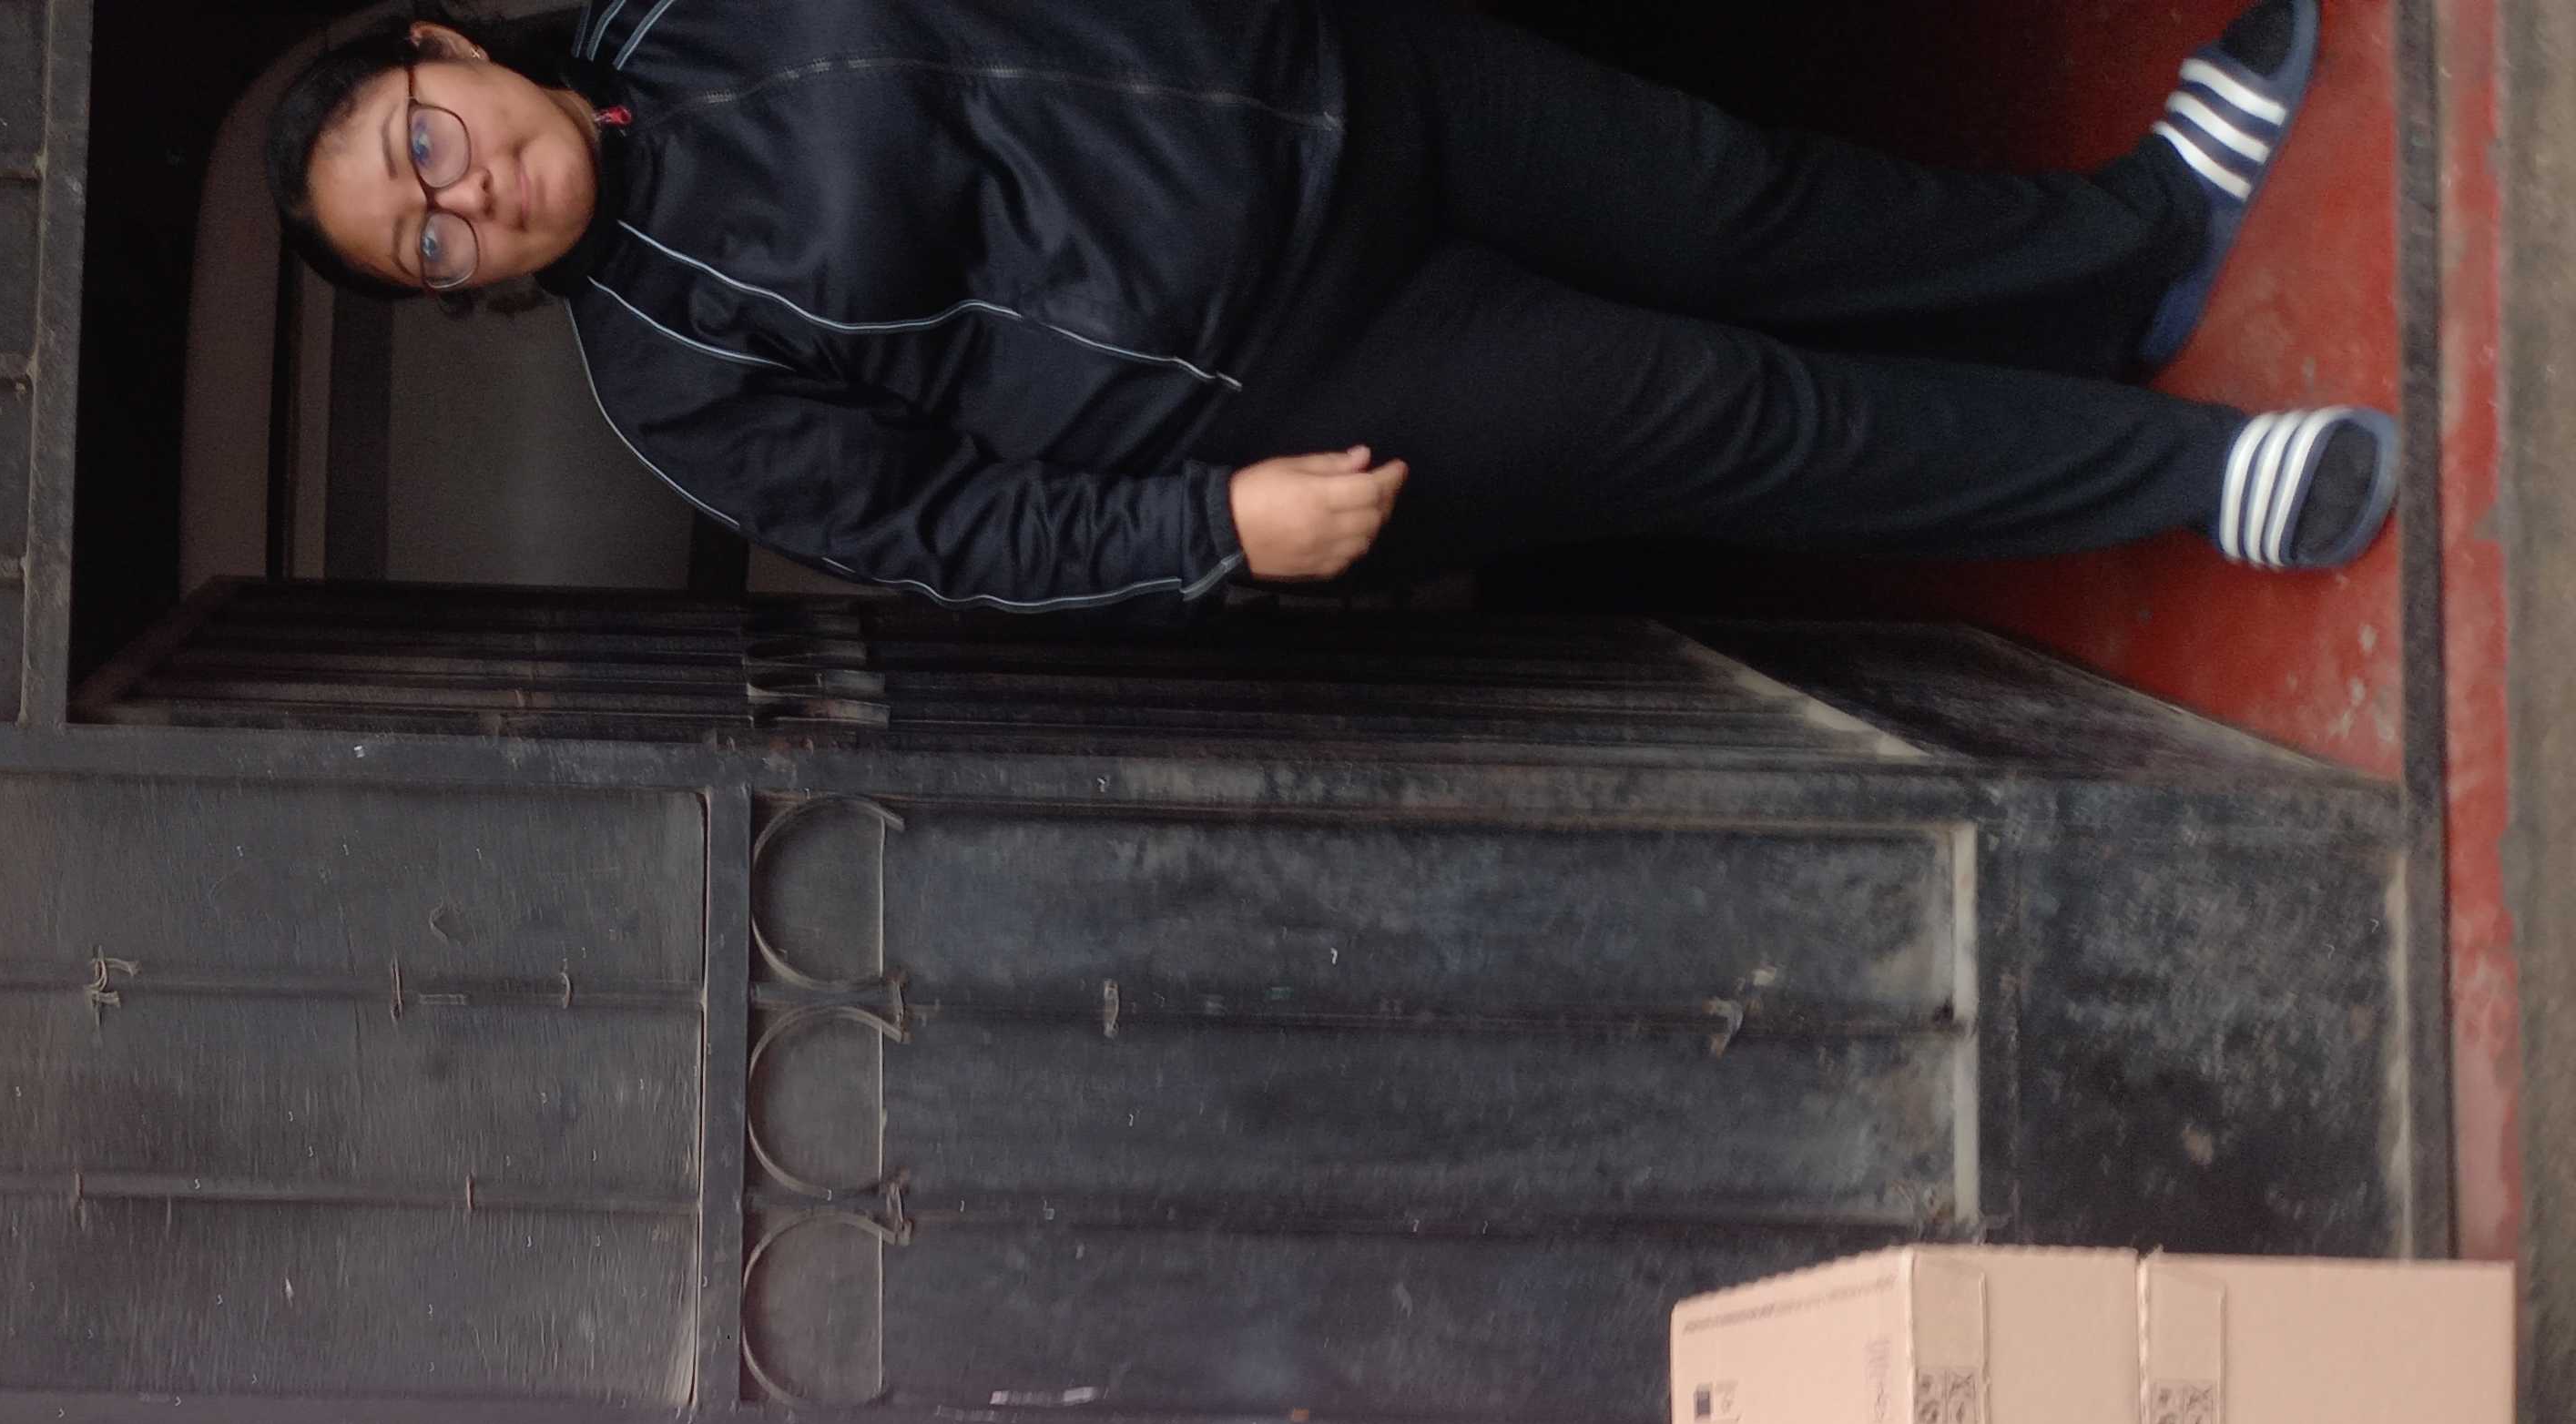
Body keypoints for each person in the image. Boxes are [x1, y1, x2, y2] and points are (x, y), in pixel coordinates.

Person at [268, 0, 2389, 612]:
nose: (466, 201)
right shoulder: (670, 380)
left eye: (420, 147)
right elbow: (944, 532)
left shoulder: (683, 2)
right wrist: (1212, 531)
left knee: (1751, 205)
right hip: (1296, 369)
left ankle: (2117, 248)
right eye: (422, 243)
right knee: (1740, 414)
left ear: (446, 53)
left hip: (1338, 82)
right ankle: (2187, 477)